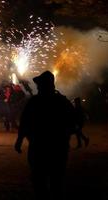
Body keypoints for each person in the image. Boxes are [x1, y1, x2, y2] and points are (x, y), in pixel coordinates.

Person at [14, 71, 75, 200]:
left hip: (40, 146)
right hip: (57, 147)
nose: (37, 87)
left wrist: (19, 140)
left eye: (40, 84)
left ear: (44, 85)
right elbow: (73, 123)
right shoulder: (61, 101)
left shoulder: (35, 101)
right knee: (55, 180)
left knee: (40, 180)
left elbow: (25, 122)